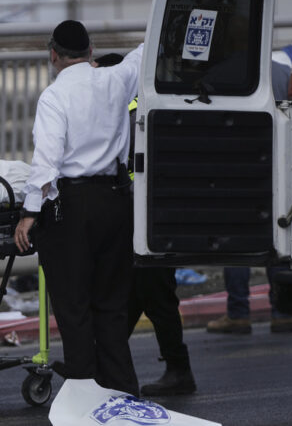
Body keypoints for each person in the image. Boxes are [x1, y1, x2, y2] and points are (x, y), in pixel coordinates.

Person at [14, 20, 143, 396]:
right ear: (91, 51)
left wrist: (29, 213)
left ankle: (85, 393)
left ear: (53, 55)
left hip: (71, 208)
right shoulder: (116, 79)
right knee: (112, 305)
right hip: (116, 202)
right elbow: (143, 54)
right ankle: (123, 392)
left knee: (74, 307)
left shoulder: (54, 96)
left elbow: (47, 160)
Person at [91, 52, 197, 397]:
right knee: (135, 292)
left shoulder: (132, 113)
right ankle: (103, 365)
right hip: (145, 216)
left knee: (154, 294)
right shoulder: (133, 107)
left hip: (151, 219)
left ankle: (179, 370)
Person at [207, 44, 292, 335]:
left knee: (236, 244)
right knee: (279, 240)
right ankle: (283, 311)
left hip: (237, 172)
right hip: (279, 168)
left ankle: (238, 314)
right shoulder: (282, 73)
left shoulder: (220, 75)